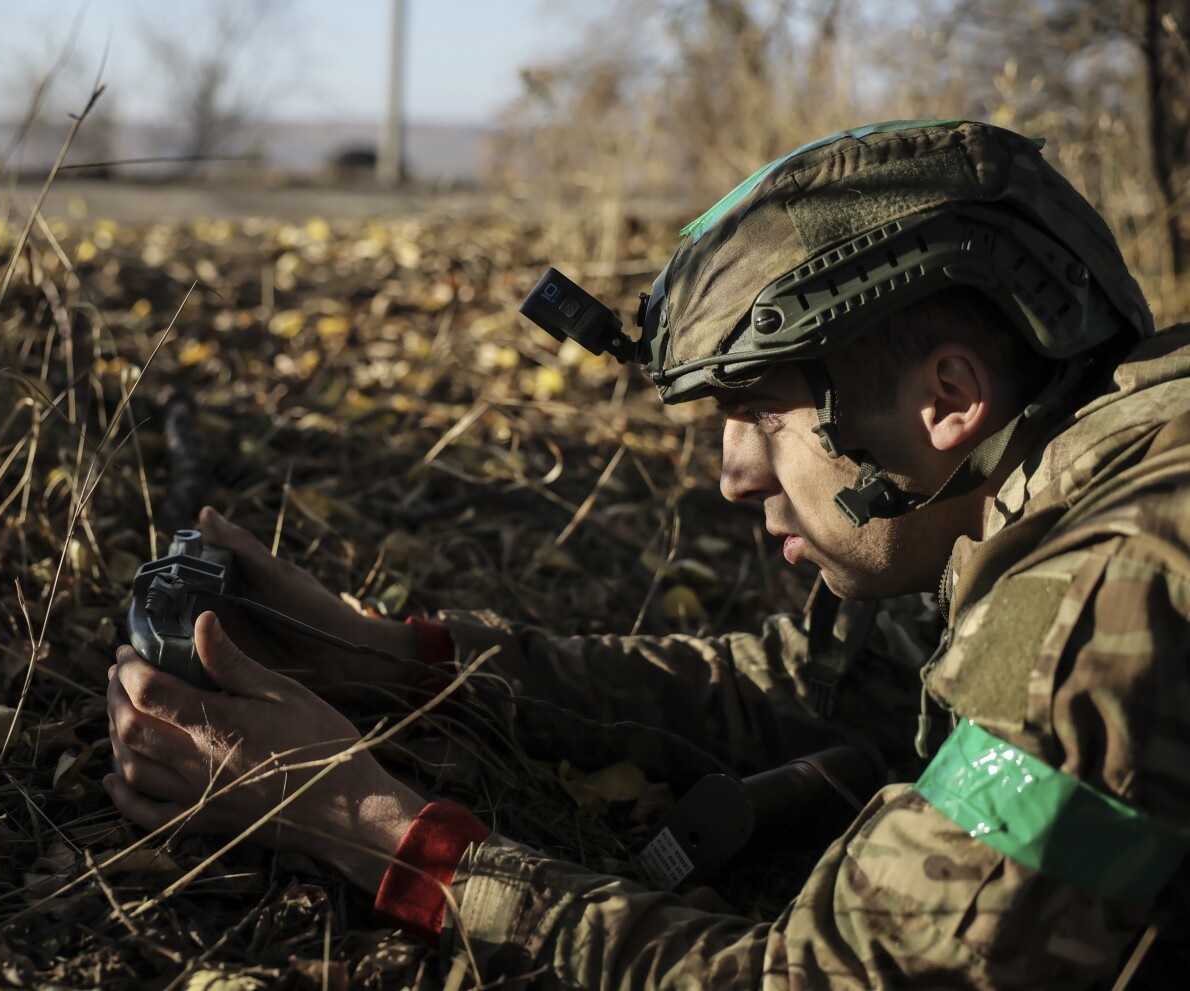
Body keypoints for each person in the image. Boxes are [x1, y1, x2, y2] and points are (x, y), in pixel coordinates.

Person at [104, 119, 1190, 988]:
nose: (731, 475)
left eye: (759, 417)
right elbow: (813, 686)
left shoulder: (1097, 606)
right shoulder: (1077, 469)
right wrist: (394, 656)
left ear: (950, 400)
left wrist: (369, 830)